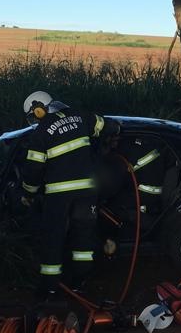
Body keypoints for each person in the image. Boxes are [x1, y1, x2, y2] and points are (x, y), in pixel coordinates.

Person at [19, 91, 119, 298]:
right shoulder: (79, 116)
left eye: (33, 116)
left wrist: (28, 193)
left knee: (53, 239)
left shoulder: (41, 132)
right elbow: (108, 125)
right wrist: (113, 134)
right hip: (87, 192)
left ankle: (50, 287)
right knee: (83, 238)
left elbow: (33, 170)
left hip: (59, 196)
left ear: (39, 111)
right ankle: (80, 283)